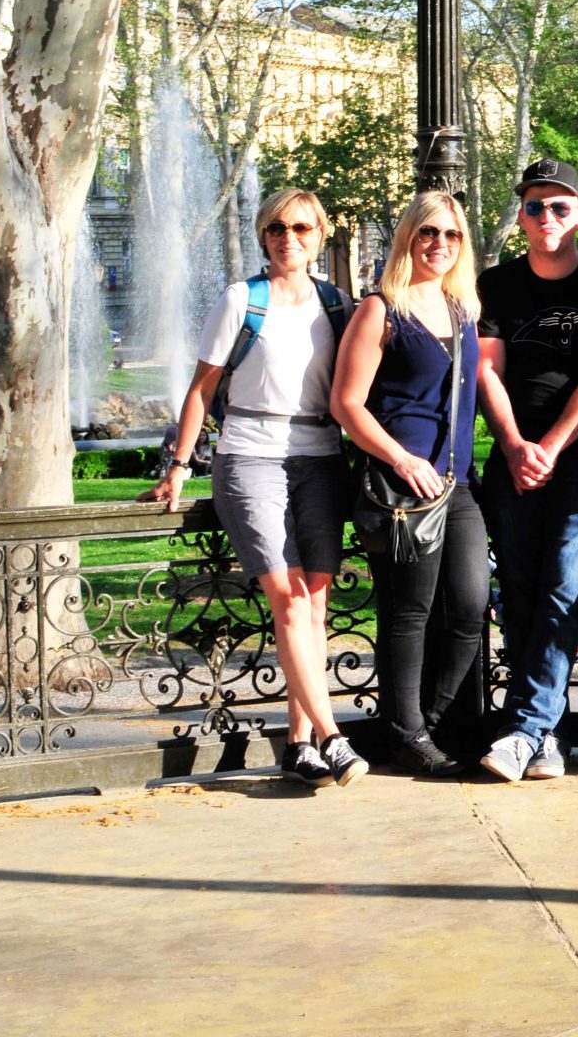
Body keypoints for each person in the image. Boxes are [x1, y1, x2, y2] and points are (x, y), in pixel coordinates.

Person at [142, 188, 366, 788]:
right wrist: (180, 465)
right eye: (275, 228)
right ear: (263, 236)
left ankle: (299, 742)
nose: (287, 237)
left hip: (320, 457)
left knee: (315, 601)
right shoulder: (243, 298)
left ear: (320, 234)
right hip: (250, 457)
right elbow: (201, 388)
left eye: (299, 227)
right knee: (288, 596)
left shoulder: (338, 305)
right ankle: (332, 736)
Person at [473, 159, 578, 783]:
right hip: (513, 458)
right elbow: (488, 368)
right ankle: (547, 735)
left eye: (560, 207)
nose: (547, 217)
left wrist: (552, 446)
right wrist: (514, 444)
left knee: (562, 591)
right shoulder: (496, 283)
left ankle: (522, 728)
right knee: (517, 594)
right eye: (536, 206)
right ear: (521, 216)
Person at [331, 191, 487, 777]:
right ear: (407, 239)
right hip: (405, 490)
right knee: (409, 614)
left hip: (459, 483)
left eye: (450, 235)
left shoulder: (462, 307)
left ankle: (421, 724)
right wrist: (402, 459)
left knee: (471, 609)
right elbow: (347, 404)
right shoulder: (381, 309)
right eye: (428, 233)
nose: (439, 245)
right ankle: (408, 733)